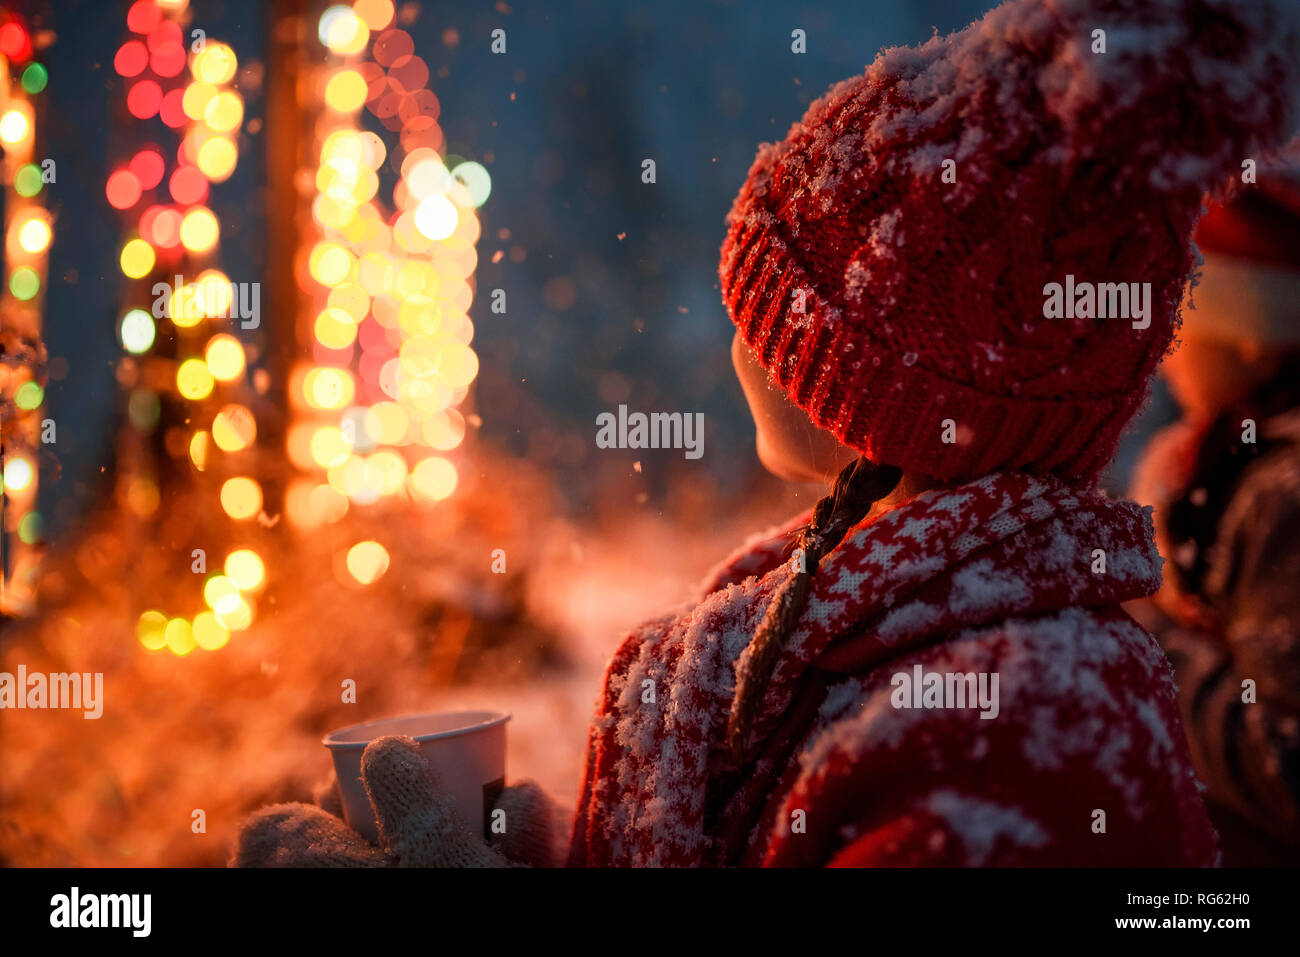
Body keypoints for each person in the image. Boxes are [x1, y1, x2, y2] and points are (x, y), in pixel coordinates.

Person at [234, 0, 1299, 867]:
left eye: (778, 302)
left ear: (881, 388)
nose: (739, 329)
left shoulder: (1007, 742)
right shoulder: (863, 608)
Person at [1127, 160, 1300, 865]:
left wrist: (1143, 642)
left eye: (1184, 325)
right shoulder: (1210, 458)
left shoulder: (1280, 496)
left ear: (1250, 335)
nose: (1164, 354)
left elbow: (1283, 766)